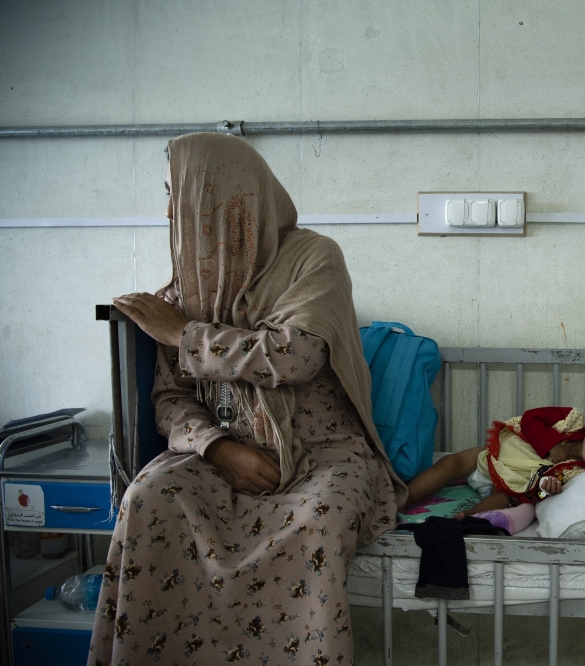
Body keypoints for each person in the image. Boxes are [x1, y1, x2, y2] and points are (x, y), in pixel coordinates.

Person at [89, 133, 404, 665]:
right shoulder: (188, 287)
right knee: (148, 496)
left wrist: (183, 335)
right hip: (223, 452)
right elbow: (170, 398)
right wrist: (216, 447)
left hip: (320, 454)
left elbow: (294, 354)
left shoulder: (313, 258)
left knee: (314, 524)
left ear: (220, 195)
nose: (169, 209)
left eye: (176, 192)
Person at [405, 403, 585, 517]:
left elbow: (537, 498)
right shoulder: (572, 420)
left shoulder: (583, 476)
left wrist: (546, 491)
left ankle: (464, 518)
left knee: (510, 501)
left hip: (511, 485)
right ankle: (403, 497)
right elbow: (532, 418)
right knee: (452, 462)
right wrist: (552, 444)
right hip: (492, 459)